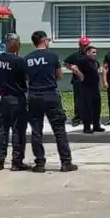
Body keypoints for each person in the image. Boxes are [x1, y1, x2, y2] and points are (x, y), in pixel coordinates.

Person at [23, 29, 76, 172]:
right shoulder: (52, 56)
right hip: (50, 94)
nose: (49, 42)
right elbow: (59, 76)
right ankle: (66, 162)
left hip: (34, 96)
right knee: (59, 129)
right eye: (48, 40)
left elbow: (25, 77)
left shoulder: (27, 59)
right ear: (43, 40)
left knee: (36, 131)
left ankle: (40, 164)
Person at [0, 31, 29, 171]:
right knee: (18, 131)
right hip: (17, 98)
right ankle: (16, 162)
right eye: (18, 43)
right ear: (14, 44)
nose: (20, 45)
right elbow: (26, 78)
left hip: (4, 98)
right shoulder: (19, 61)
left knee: (2, 130)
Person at [72, 42, 104, 133]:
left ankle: (96, 126)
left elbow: (97, 73)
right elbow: (74, 67)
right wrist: (80, 75)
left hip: (95, 87)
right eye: (93, 52)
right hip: (86, 87)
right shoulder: (83, 61)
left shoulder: (95, 62)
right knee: (87, 107)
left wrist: (100, 83)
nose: (95, 54)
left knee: (97, 107)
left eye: (96, 52)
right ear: (88, 53)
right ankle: (87, 127)